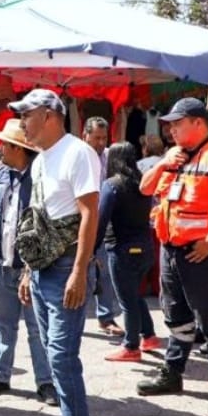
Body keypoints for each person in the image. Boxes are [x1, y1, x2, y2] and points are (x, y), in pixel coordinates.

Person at [11, 88, 100, 416]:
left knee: (63, 360)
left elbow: (89, 213)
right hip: (45, 269)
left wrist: (79, 271)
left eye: (26, 115)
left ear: (49, 115)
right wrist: (29, 271)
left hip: (67, 268)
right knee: (53, 357)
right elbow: (39, 220)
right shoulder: (42, 159)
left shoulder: (78, 153)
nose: (21, 123)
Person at [137, 97, 208, 416]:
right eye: (169, 125)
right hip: (170, 252)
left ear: (198, 123)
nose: (171, 130)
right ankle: (173, 373)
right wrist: (162, 163)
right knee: (176, 316)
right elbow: (145, 189)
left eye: (177, 124)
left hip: (203, 254)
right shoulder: (174, 157)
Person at [0, 119, 56, 406]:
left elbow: (46, 222)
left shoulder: (40, 177)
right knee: (2, 323)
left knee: (37, 328)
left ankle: (46, 381)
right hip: (1, 263)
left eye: (4, 144)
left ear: (17, 148)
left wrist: (32, 264)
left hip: (31, 268)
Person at [95, 142, 160, 362]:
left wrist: (91, 250)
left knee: (127, 300)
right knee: (134, 294)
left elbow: (101, 220)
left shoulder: (112, 185)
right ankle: (148, 335)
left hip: (121, 249)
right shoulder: (142, 183)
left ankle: (131, 346)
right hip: (145, 248)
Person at [83, 117, 122, 337]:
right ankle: (72, 317)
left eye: (104, 138)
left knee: (104, 271)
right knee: (77, 270)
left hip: (104, 222)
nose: (100, 142)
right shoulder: (78, 157)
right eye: (96, 137)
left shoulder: (111, 157)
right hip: (79, 222)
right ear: (85, 136)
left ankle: (106, 317)